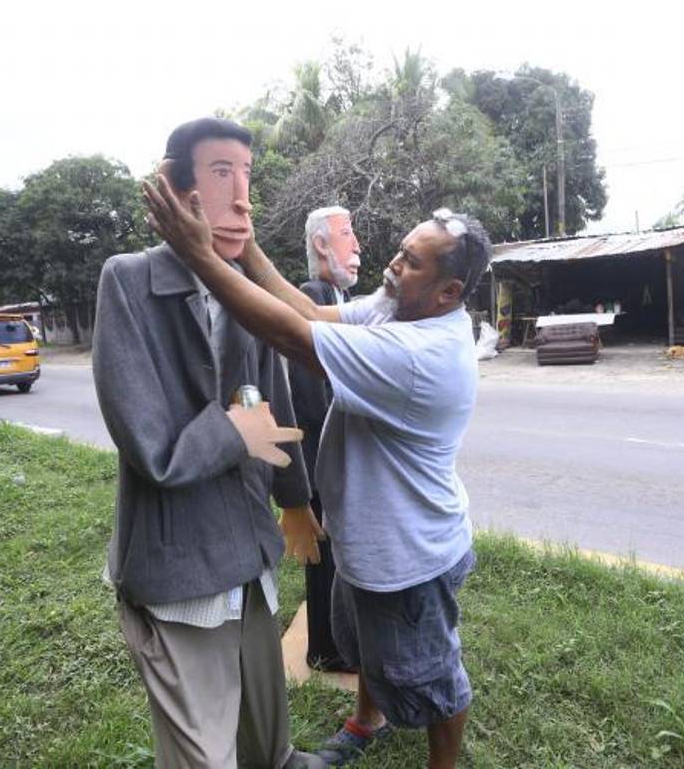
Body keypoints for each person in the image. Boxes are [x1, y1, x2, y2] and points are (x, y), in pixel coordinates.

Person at [144, 169, 491, 769]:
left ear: (448, 292)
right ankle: (366, 722)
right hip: (374, 538)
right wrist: (244, 243)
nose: (391, 265)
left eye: (410, 262)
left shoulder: (421, 356)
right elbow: (306, 307)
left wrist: (201, 255)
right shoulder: (398, 310)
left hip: (410, 557)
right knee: (368, 644)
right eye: (400, 251)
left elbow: (291, 334)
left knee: (434, 677)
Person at [92, 117, 326, 769]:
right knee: (204, 752)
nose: (243, 196)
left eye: (248, 175)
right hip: (178, 568)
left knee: (266, 726)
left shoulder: (240, 290)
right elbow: (153, 446)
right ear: (173, 190)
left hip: (248, 548)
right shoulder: (129, 282)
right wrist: (234, 426)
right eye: (222, 174)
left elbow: (268, 402)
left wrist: (296, 496)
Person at [288, 206, 360, 672]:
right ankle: (326, 650)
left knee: (332, 555)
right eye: (347, 234)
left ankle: (334, 642)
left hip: (329, 454)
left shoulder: (334, 296)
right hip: (317, 456)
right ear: (321, 244)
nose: (357, 247)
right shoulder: (312, 296)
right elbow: (309, 396)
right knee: (323, 559)